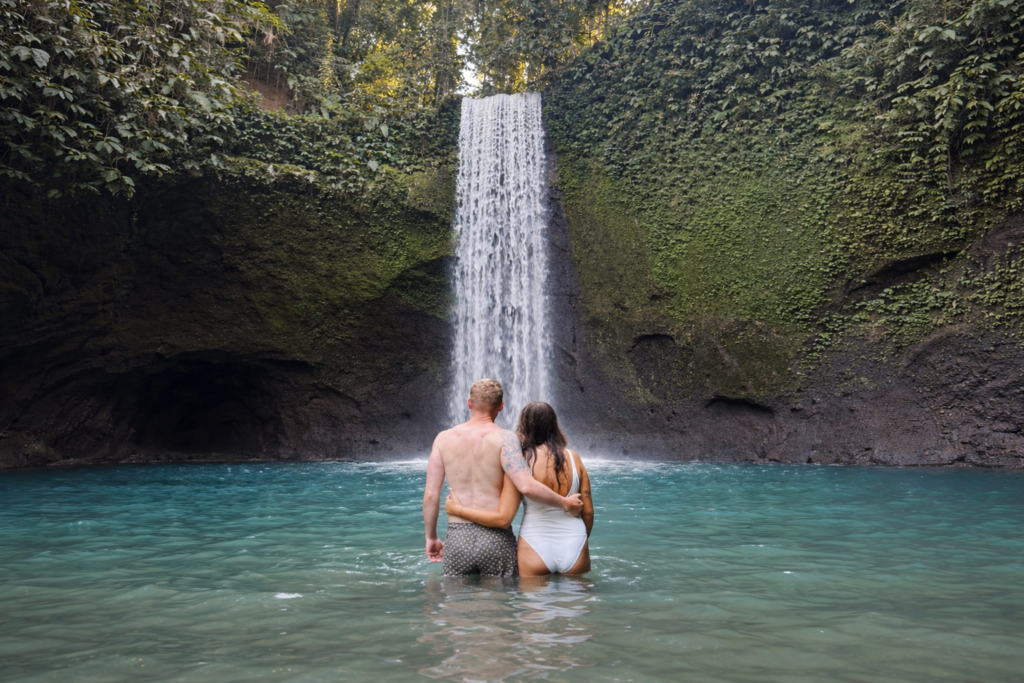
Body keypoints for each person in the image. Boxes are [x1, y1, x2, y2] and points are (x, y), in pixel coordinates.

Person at [423, 379, 583, 577]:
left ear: (469, 403)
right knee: (498, 604)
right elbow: (526, 486)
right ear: (501, 406)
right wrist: (566, 503)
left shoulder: (443, 438)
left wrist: (431, 537)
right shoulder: (506, 439)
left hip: (458, 536)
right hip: (496, 539)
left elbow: (431, 495)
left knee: (456, 603)